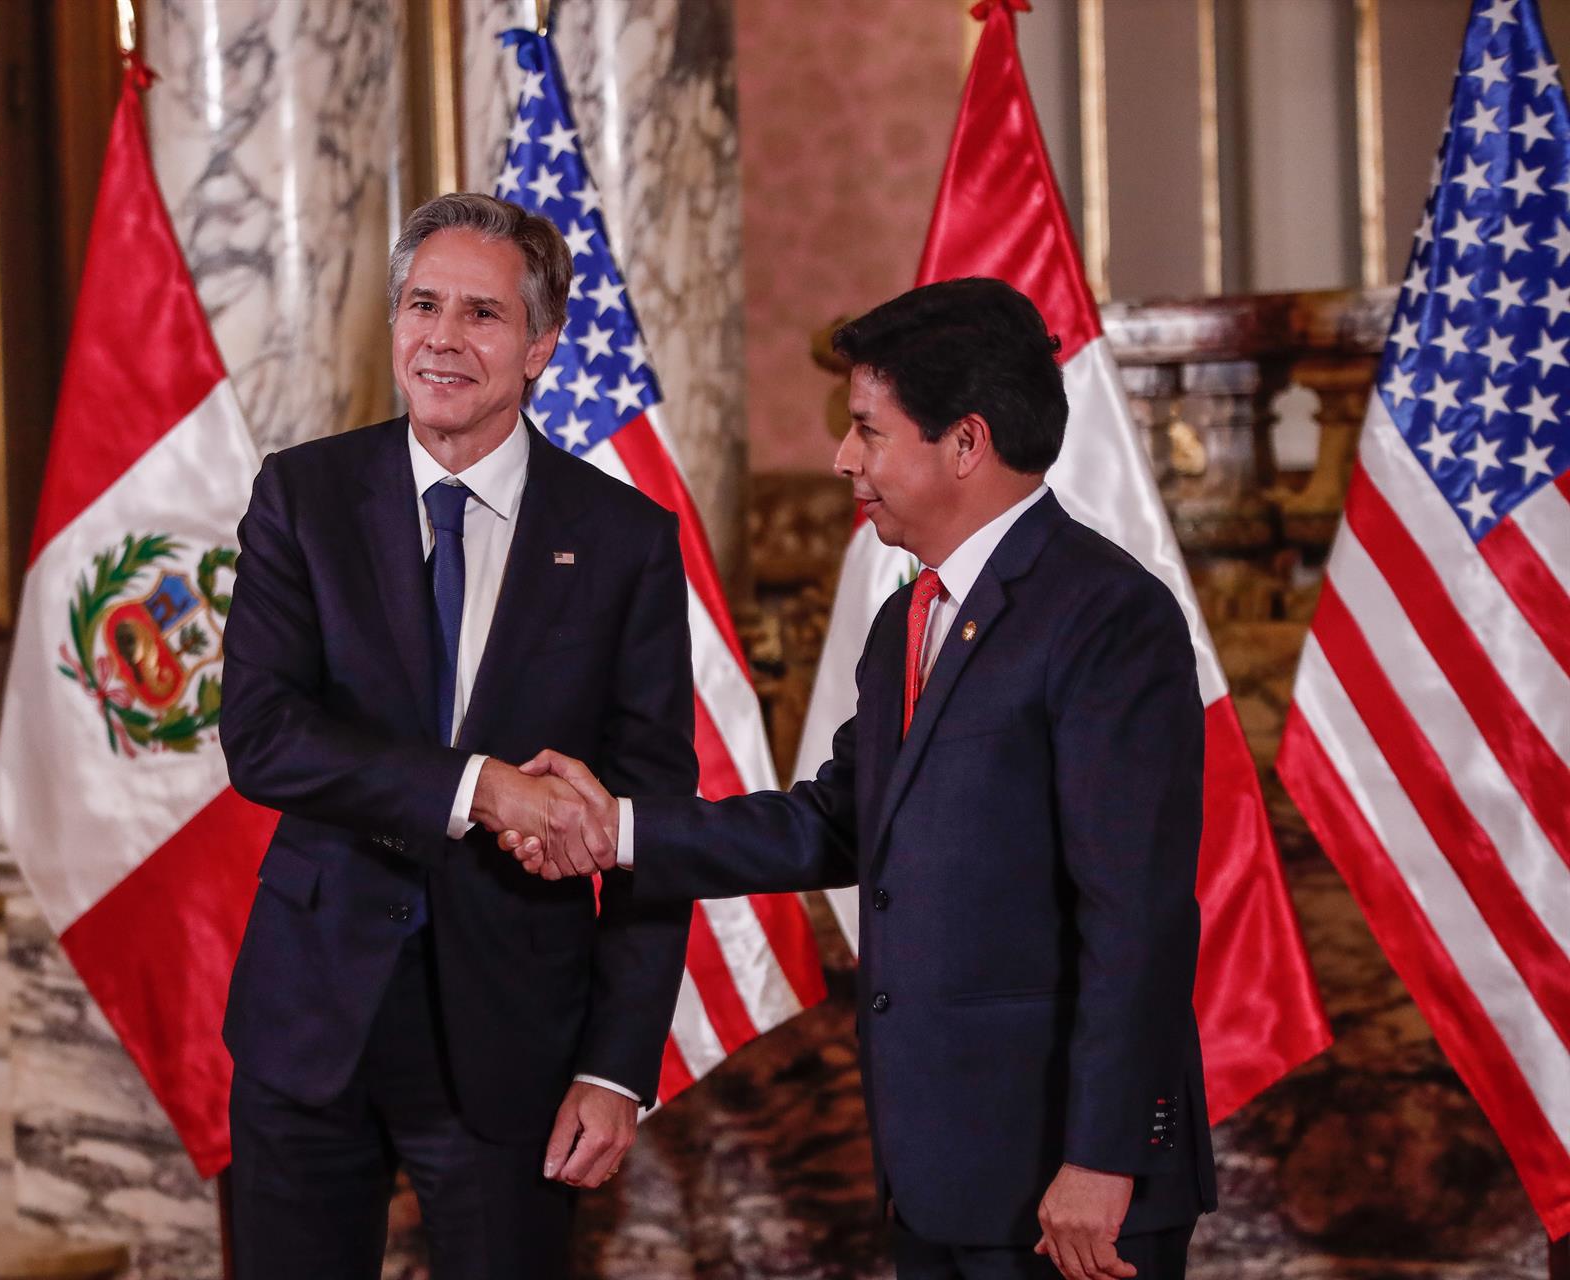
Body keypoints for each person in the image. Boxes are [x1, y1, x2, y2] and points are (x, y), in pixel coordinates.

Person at [500, 278, 1218, 1280]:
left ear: (964, 443)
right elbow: (834, 822)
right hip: (939, 1169)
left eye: (868, 431)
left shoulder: (1107, 617)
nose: (844, 459)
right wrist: (616, 826)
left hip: (1068, 1179)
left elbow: (1135, 915)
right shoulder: (906, 618)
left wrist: (1101, 1155)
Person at [217, 192, 697, 1279]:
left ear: (539, 346)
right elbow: (263, 734)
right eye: (422, 304)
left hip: (514, 1042)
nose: (442, 336)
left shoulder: (624, 540)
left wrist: (618, 1067)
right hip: (311, 1019)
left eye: (481, 313)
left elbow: (651, 827)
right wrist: (480, 785)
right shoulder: (304, 495)